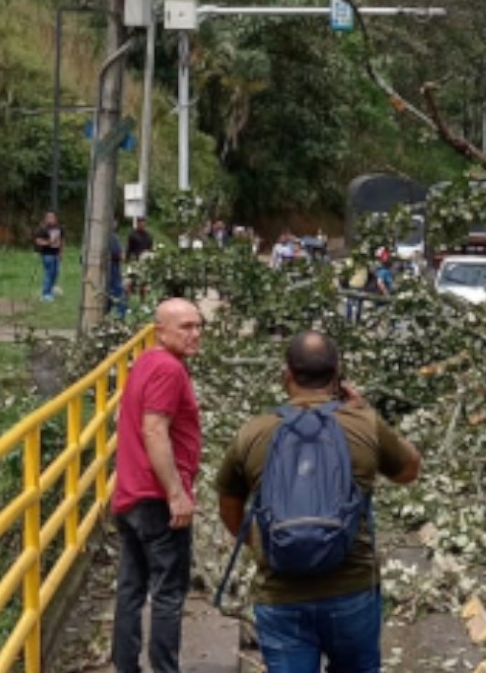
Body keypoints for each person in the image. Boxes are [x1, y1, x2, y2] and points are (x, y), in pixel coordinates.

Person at [215, 332, 421, 673]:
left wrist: (262, 543)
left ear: (286, 375)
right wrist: (365, 409)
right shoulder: (364, 424)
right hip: (351, 588)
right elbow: (409, 470)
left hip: (280, 592)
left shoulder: (253, 432)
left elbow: (228, 504)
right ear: (337, 374)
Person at [111, 299, 204, 673]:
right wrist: (176, 494)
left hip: (130, 496)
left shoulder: (147, 361)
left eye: (198, 325)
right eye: (185, 327)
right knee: (168, 593)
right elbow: (154, 429)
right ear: (160, 331)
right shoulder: (168, 369)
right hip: (156, 498)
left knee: (131, 589)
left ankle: (125, 666)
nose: (195, 334)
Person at [33, 211, 62, 302]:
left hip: (56, 254)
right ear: (45, 219)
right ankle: (45, 294)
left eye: (53, 218)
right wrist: (49, 242)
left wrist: (60, 252)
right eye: (49, 218)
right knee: (49, 273)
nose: (51, 220)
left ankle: (51, 289)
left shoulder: (58, 228)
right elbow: (38, 241)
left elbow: (61, 240)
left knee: (55, 273)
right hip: (47, 254)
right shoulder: (42, 229)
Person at [107, 226, 127, 319]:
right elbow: (121, 256)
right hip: (113, 272)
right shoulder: (113, 238)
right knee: (118, 294)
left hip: (106, 272)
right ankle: (120, 317)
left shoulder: (99, 237)